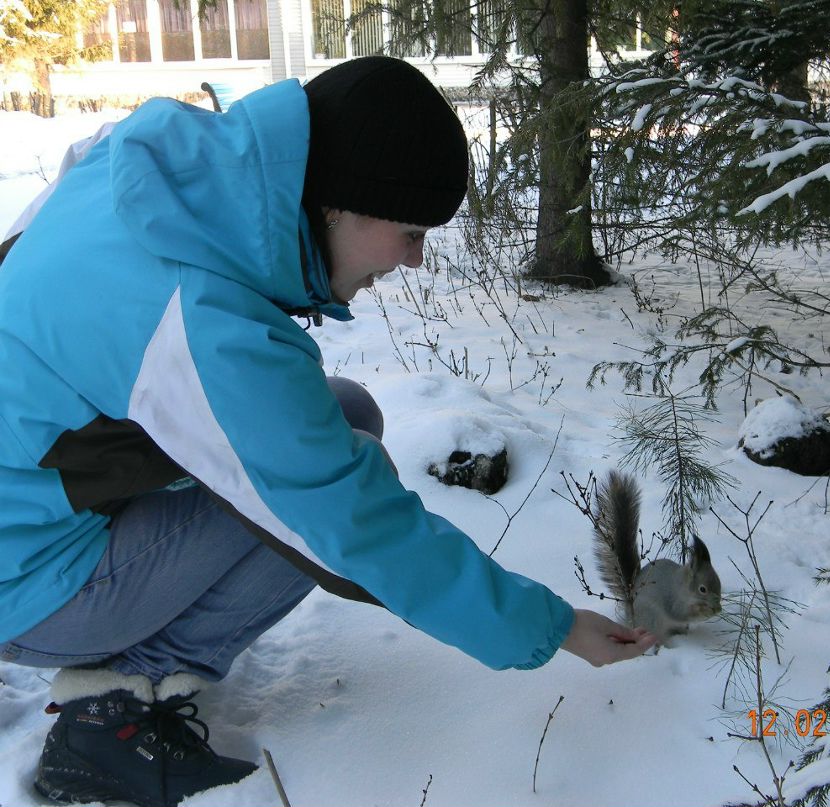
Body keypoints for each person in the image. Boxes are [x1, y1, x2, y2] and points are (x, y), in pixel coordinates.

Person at [0, 56, 657, 807]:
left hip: (32, 505)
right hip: (25, 584)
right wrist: (554, 627)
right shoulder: (200, 320)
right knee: (319, 490)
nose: (415, 258)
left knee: (341, 412)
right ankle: (118, 706)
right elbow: (358, 530)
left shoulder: (146, 170)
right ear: (338, 204)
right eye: (410, 231)